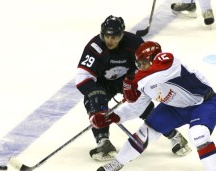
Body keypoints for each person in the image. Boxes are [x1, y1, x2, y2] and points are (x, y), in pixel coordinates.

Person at [91, 41, 216, 171]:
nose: (141, 67)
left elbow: (159, 72)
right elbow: (136, 108)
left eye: (144, 63)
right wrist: (112, 117)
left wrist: (134, 81)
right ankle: (118, 163)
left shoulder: (171, 63)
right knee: (144, 133)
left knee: (198, 135)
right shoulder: (142, 81)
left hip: (202, 104)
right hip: (173, 108)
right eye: (139, 63)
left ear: (155, 59)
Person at [75, 15, 191, 161]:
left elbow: (148, 68)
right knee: (95, 101)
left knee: (143, 105)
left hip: (130, 80)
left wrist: (136, 83)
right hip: (102, 83)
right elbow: (82, 76)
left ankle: (173, 135)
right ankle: (103, 143)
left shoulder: (134, 43)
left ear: (121, 35)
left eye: (114, 36)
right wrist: (94, 97)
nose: (110, 40)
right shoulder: (95, 47)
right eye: (107, 36)